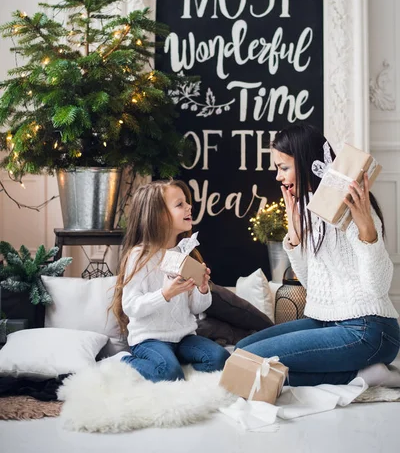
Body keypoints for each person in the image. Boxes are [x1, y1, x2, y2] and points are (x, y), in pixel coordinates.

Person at [236, 124, 400, 387]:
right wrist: (295, 236)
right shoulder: (311, 208)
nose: (278, 177)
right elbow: (313, 285)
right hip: (326, 322)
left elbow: (377, 287)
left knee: (251, 359)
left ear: (304, 162)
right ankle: (363, 374)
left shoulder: (352, 206)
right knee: (241, 350)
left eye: (283, 167)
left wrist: (368, 232)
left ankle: (362, 376)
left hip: (369, 329)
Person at [111, 179, 230, 382]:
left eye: (186, 202)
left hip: (184, 337)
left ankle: (175, 365)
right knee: (169, 373)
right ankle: (123, 360)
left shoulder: (185, 253)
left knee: (221, 359)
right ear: (158, 216)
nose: (189, 207)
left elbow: (196, 308)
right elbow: (131, 307)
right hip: (149, 339)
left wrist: (202, 290)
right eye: (180, 204)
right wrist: (164, 294)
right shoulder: (139, 256)